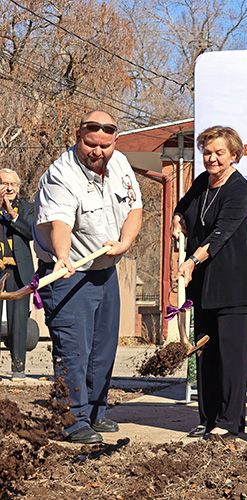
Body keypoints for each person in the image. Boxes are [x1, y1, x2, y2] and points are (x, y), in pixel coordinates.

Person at [34, 111, 143, 444]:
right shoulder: (61, 174)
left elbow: (134, 209)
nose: (97, 151)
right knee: (73, 351)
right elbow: (60, 224)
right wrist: (63, 257)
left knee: (103, 350)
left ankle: (95, 412)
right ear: (77, 136)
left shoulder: (121, 163)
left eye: (104, 145)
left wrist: (124, 244)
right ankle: (71, 419)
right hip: (69, 274)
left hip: (104, 271)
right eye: (90, 143)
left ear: (115, 141)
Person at [173, 126, 247, 440]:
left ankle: (229, 422)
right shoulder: (201, 183)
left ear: (233, 154)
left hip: (234, 287)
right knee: (205, 356)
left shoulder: (239, 189)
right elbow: (183, 207)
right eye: (207, 152)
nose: (211, 158)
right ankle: (207, 418)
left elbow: (220, 234)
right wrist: (176, 220)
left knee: (231, 359)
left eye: (218, 152)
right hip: (204, 288)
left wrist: (191, 261)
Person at [0, 169, 35, 381]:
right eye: (4, 183)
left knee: (19, 322)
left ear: (19, 187)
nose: (10, 188)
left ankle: (18, 368)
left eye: (14, 184)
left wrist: (12, 214)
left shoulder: (28, 209)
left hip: (18, 272)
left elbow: (33, 233)